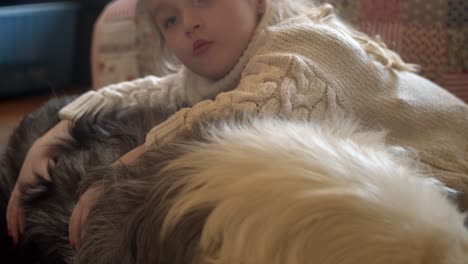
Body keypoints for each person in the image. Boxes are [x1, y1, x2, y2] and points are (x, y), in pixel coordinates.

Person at [7, 0, 468, 252]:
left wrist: (121, 173)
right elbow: (146, 90)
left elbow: (249, 109)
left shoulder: (307, 40)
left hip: (450, 164)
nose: (188, 23)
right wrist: (58, 131)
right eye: (170, 19)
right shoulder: (220, 66)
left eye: (202, 0)